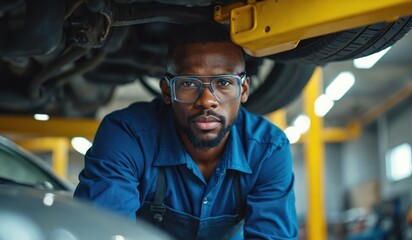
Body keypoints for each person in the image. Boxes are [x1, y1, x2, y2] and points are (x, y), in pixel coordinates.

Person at [74, 22, 297, 239]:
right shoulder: (127, 136)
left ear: (244, 89)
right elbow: (104, 232)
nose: (207, 101)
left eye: (223, 83)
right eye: (189, 84)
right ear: (166, 90)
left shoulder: (268, 149)